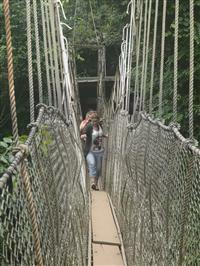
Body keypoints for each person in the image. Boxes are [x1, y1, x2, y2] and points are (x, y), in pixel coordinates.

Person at [80, 113, 107, 190]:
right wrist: (84, 136)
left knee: (98, 168)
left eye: (96, 121)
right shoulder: (89, 127)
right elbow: (82, 134)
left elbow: (100, 134)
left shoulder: (100, 126)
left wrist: (105, 136)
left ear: (98, 120)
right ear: (91, 121)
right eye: (93, 121)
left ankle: (95, 184)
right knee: (92, 164)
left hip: (98, 150)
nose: (94, 122)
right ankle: (92, 182)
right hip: (89, 150)